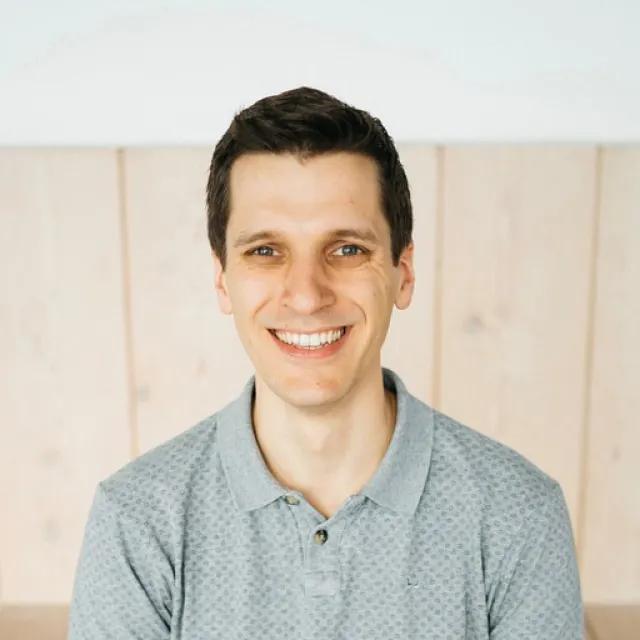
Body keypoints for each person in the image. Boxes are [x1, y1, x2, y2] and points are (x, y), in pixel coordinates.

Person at [67, 86, 584, 639]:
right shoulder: (137, 521)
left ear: (403, 273)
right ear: (222, 280)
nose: (307, 295)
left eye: (347, 249)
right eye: (265, 251)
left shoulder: (518, 516)